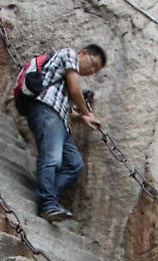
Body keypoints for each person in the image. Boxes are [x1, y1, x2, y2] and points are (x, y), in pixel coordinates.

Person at [25, 44, 106, 222]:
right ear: (84, 53)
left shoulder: (64, 80)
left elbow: (67, 108)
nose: (91, 70)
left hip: (60, 119)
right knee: (52, 158)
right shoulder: (69, 54)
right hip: (47, 111)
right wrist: (87, 112)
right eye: (92, 64)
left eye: (95, 70)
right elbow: (75, 90)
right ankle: (47, 203)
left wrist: (82, 118)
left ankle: (49, 200)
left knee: (75, 165)